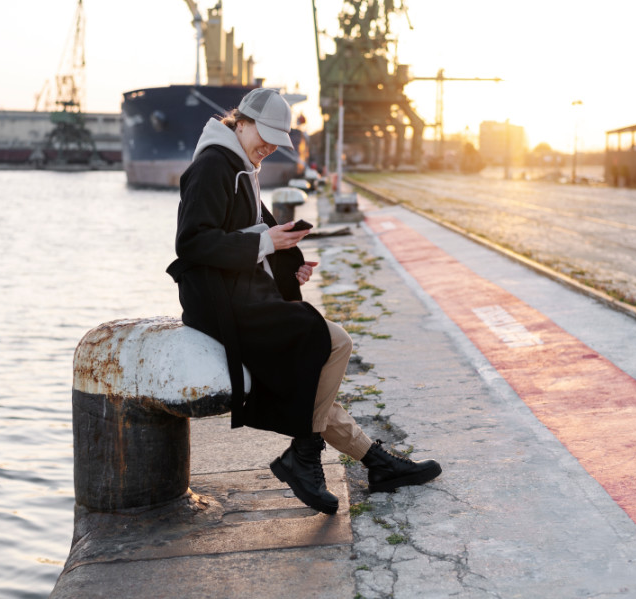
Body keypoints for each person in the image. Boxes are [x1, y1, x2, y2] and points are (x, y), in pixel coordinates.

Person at [166, 88, 441, 514]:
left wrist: (287, 263)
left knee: (318, 369)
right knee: (330, 341)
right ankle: (307, 454)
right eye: (266, 134)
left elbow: (254, 236)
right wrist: (266, 244)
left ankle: (372, 461)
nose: (271, 146)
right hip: (219, 305)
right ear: (241, 122)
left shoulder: (239, 164)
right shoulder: (212, 166)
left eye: (278, 138)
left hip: (242, 294)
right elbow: (192, 245)